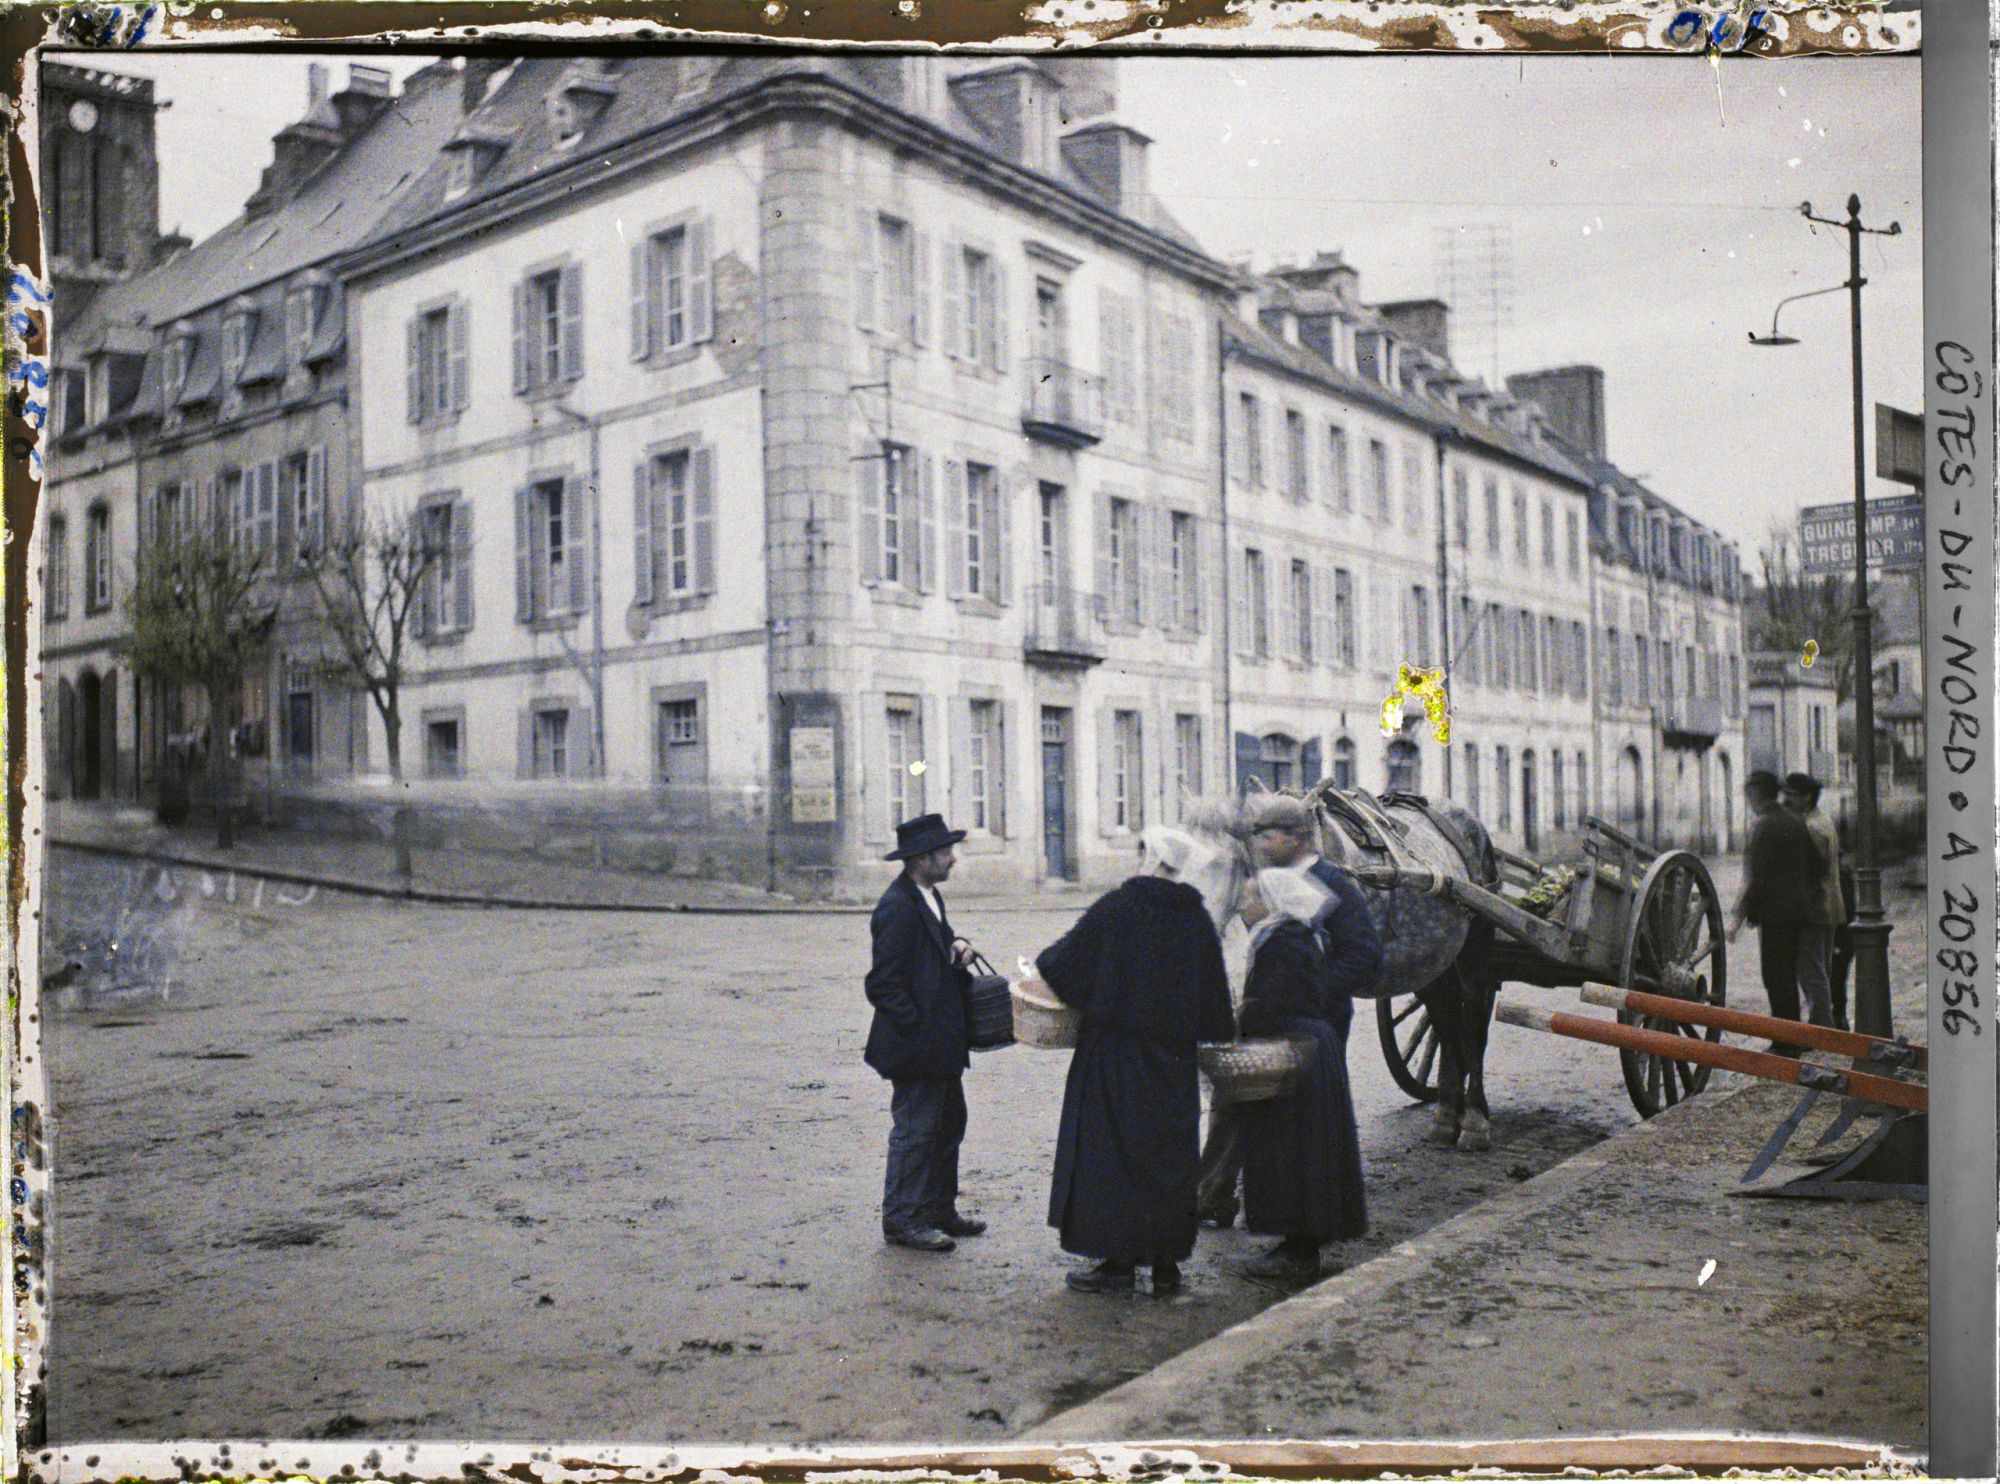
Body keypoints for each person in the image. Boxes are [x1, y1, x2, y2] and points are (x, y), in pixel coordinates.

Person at [1035, 829, 1236, 1296]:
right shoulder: (1196, 919)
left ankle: (1117, 1264)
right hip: (1172, 1064)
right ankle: (1167, 1268)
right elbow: (1215, 1004)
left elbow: (1061, 964)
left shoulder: (1119, 909)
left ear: (1149, 859)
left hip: (1116, 1058)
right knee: (1168, 1157)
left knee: (1112, 1158)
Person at [1198, 795, 1384, 1227]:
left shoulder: (1333, 884)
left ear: (1296, 837)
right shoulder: (1267, 883)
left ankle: (1282, 1218)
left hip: (1310, 1025)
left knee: (1288, 1124)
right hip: (1266, 1022)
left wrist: (1305, 994)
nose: (1259, 843)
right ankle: (1215, 1193)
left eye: (1267, 835)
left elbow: (1364, 956)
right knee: (1236, 1103)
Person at [1235, 867, 1369, 1283]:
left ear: (1270, 904)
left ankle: (1298, 1253)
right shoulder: (1296, 934)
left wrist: (1240, 1015)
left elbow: (1275, 1003)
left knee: (1294, 1151)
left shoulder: (1280, 941)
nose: (1243, 906)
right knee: (1305, 1149)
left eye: (1250, 898)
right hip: (1309, 1048)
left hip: (1294, 1050)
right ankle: (1298, 1244)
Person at [864, 813, 984, 1253]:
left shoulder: (927, 896)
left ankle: (937, 1209)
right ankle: (902, 1219)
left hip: (941, 1041)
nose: (952, 859)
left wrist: (957, 944)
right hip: (917, 1044)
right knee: (916, 1131)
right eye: (945, 852)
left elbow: (938, 940)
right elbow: (882, 983)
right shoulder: (896, 907)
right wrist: (917, 1026)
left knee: (949, 1122)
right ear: (922, 859)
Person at [1727, 771, 1823, 1055]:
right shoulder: (1796, 822)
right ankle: (1790, 1036)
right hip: (1798, 913)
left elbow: (1755, 880)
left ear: (1756, 795)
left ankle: (1785, 1042)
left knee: (1774, 977)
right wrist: (1801, 893)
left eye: (1749, 796)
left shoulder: (1763, 827)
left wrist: (1737, 919)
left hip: (1775, 916)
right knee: (1788, 977)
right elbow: (1819, 866)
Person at [1782, 771, 1842, 1031]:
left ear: (1807, 797)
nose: (1786, 800)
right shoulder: (1821, 819)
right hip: (1827, 906)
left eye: (1792, 796)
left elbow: (1811, 871)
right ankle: (1825, 1023)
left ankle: (1821, 1027)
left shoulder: (1812, 827)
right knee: (1820, 968)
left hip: (1815, 909)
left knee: (1811, 970)